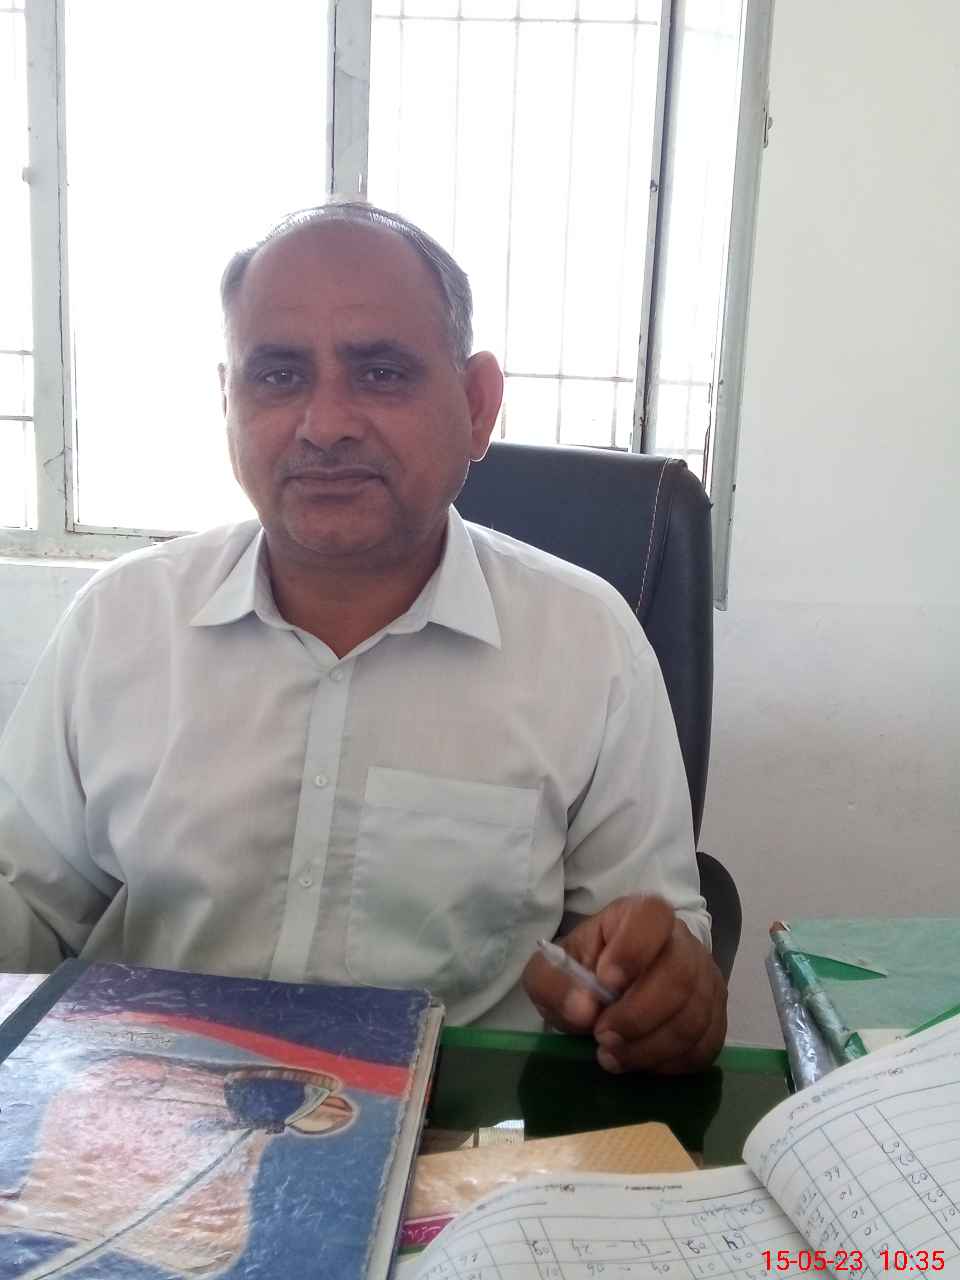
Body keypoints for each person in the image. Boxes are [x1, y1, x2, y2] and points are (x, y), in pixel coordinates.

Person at [0, 201, 726, 1073]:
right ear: (228, 401)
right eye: (278, 375)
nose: (326, 423)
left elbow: (651, 948)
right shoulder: (118, 623)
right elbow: (28, 909)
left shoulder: (589, 644)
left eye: (380, 373)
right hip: (145, 1116)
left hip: (456, 1128)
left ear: (476, 404)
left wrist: (652, 986)